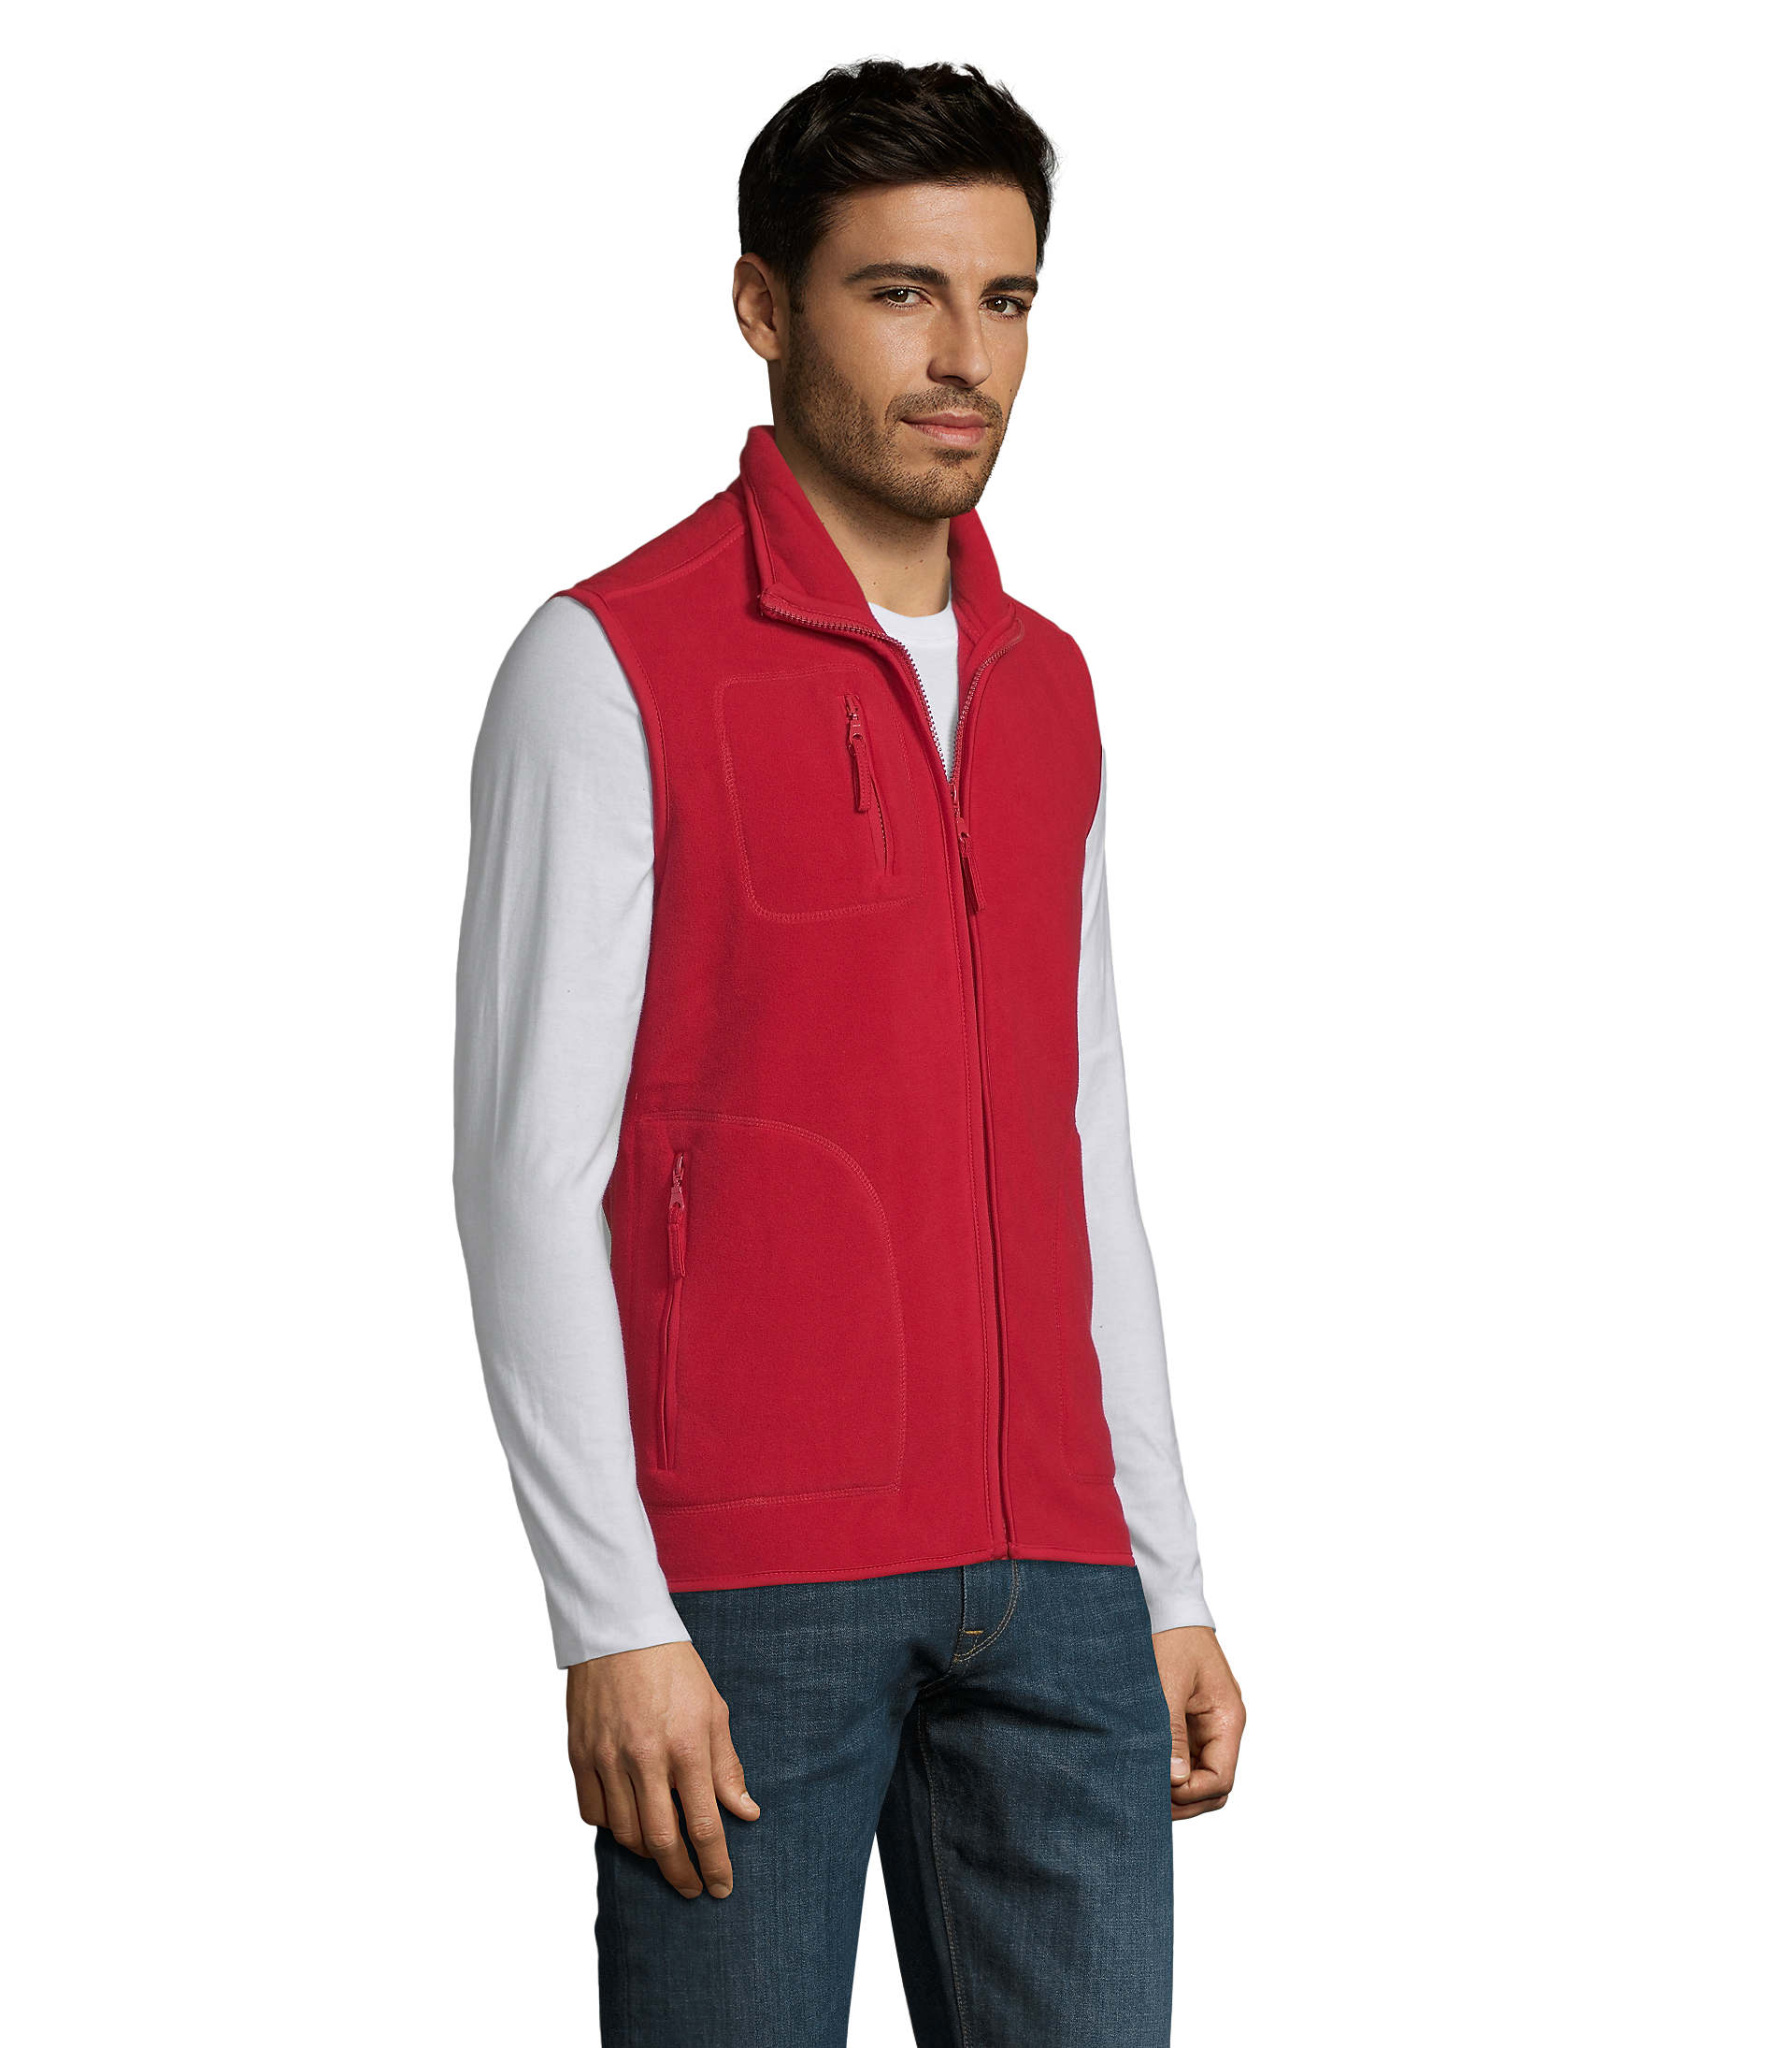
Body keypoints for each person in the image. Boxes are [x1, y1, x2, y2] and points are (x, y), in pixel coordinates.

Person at [454, 57, 1246, 2048]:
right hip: (748, 1592)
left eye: (1004, 299)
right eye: (900, 293)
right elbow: (527, 1170)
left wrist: (1163, 1573)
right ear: (763, 305)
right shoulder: (608, 661)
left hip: (1058, 1572)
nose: (963, 355)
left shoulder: (1053, 685)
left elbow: (1084, 1141)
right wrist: (609, 1614)